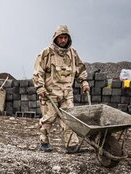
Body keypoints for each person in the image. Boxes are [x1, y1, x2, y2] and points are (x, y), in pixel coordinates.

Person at [33, 25, 89, 153]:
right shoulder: (46, 53)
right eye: (60, 38)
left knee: (69, 119)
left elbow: (80, 68)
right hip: (49, 94)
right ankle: (44, 141)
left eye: (65, 38)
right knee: (49, 118)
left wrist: (84, 81)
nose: (63, 40)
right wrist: (40, 87)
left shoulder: (73, 53)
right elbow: (38, 71)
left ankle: (71, 144)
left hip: (66, 93)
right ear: (56, 38)